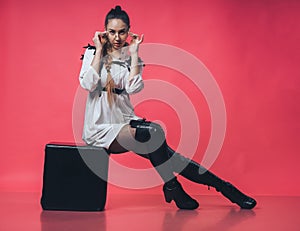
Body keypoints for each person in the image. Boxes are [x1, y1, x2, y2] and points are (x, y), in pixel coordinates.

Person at [79, 5, 257, 210]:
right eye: (112, 32)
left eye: (122, 31)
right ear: (104, 31)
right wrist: (99, 49)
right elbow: (88, 84)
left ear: (129, 31)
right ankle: (174, 186)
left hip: (123, 121)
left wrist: (135, 53)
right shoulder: (94, 53)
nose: (117, 37)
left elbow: (133, 87)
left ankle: (223, 188)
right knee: (153, 132)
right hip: (100, 127)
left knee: (174, 159)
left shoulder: (130, 57)